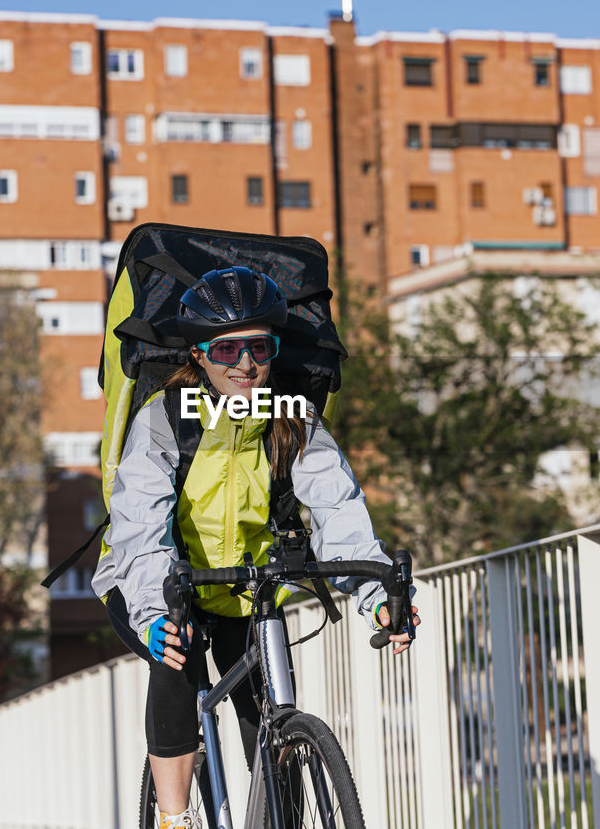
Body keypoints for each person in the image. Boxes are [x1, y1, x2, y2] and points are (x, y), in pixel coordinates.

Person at [92, 266, 419, 829]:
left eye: (259, 348)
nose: (245, 364)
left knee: (267, 716)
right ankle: (174, 818)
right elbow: (140, 528)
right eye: (227, 349)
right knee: (177, 653)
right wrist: (154, 610)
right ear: (197, 354)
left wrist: (376, 593)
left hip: (247, 588)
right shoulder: (165, 420)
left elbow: (339, 513)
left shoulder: (292, 421)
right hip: (154, 579)